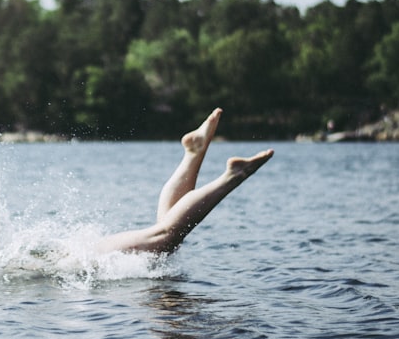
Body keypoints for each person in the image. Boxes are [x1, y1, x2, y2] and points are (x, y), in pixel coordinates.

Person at [96, 108, 274, 254]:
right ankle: (194, 153)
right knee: (164, 236)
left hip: (76, 256)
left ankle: (233, 175)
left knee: (164, 237)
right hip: (75, 253)